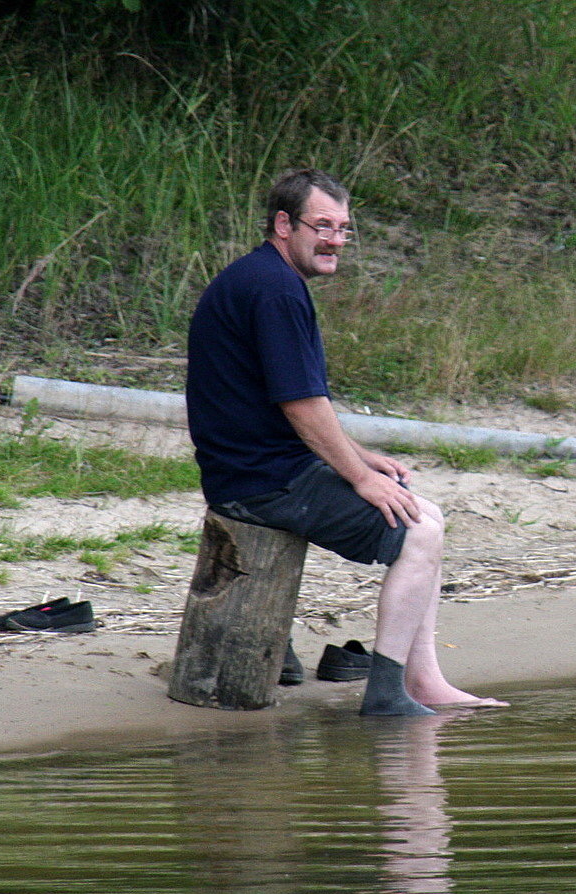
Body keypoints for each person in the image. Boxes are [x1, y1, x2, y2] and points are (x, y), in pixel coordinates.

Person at [186, 168, 507, 716]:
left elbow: (291, 402)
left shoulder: (267, 278)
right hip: (257, 483)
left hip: (262, 467)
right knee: (419, 531)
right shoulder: (274, 289)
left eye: (344, 228)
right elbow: (301, 405)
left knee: (420, 512)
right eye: (323, 226)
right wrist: (359, 478)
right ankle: (386, 697)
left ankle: (423, 682)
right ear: (284, 225)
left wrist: (360, 457)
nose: (335, 240)